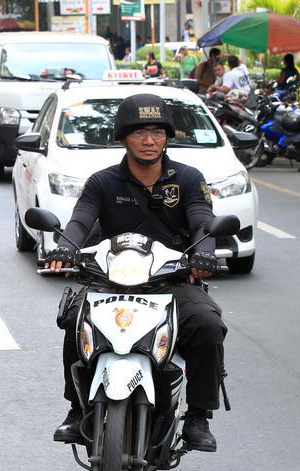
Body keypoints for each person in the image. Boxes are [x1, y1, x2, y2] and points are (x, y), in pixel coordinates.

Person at [46, 94, 227, 452]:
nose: (149, 141)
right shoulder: (102, 182)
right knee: (74, 319)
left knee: (207, 324)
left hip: (169, 281)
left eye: (157, 132)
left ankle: (198, 416)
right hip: (110, 281)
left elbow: (203, 222)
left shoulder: (189, 180)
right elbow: (81, 218)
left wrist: (204, 255)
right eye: (139, 132)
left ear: (167, 137)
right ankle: (74, 408)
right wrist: (66, 245)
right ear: (123, 137)